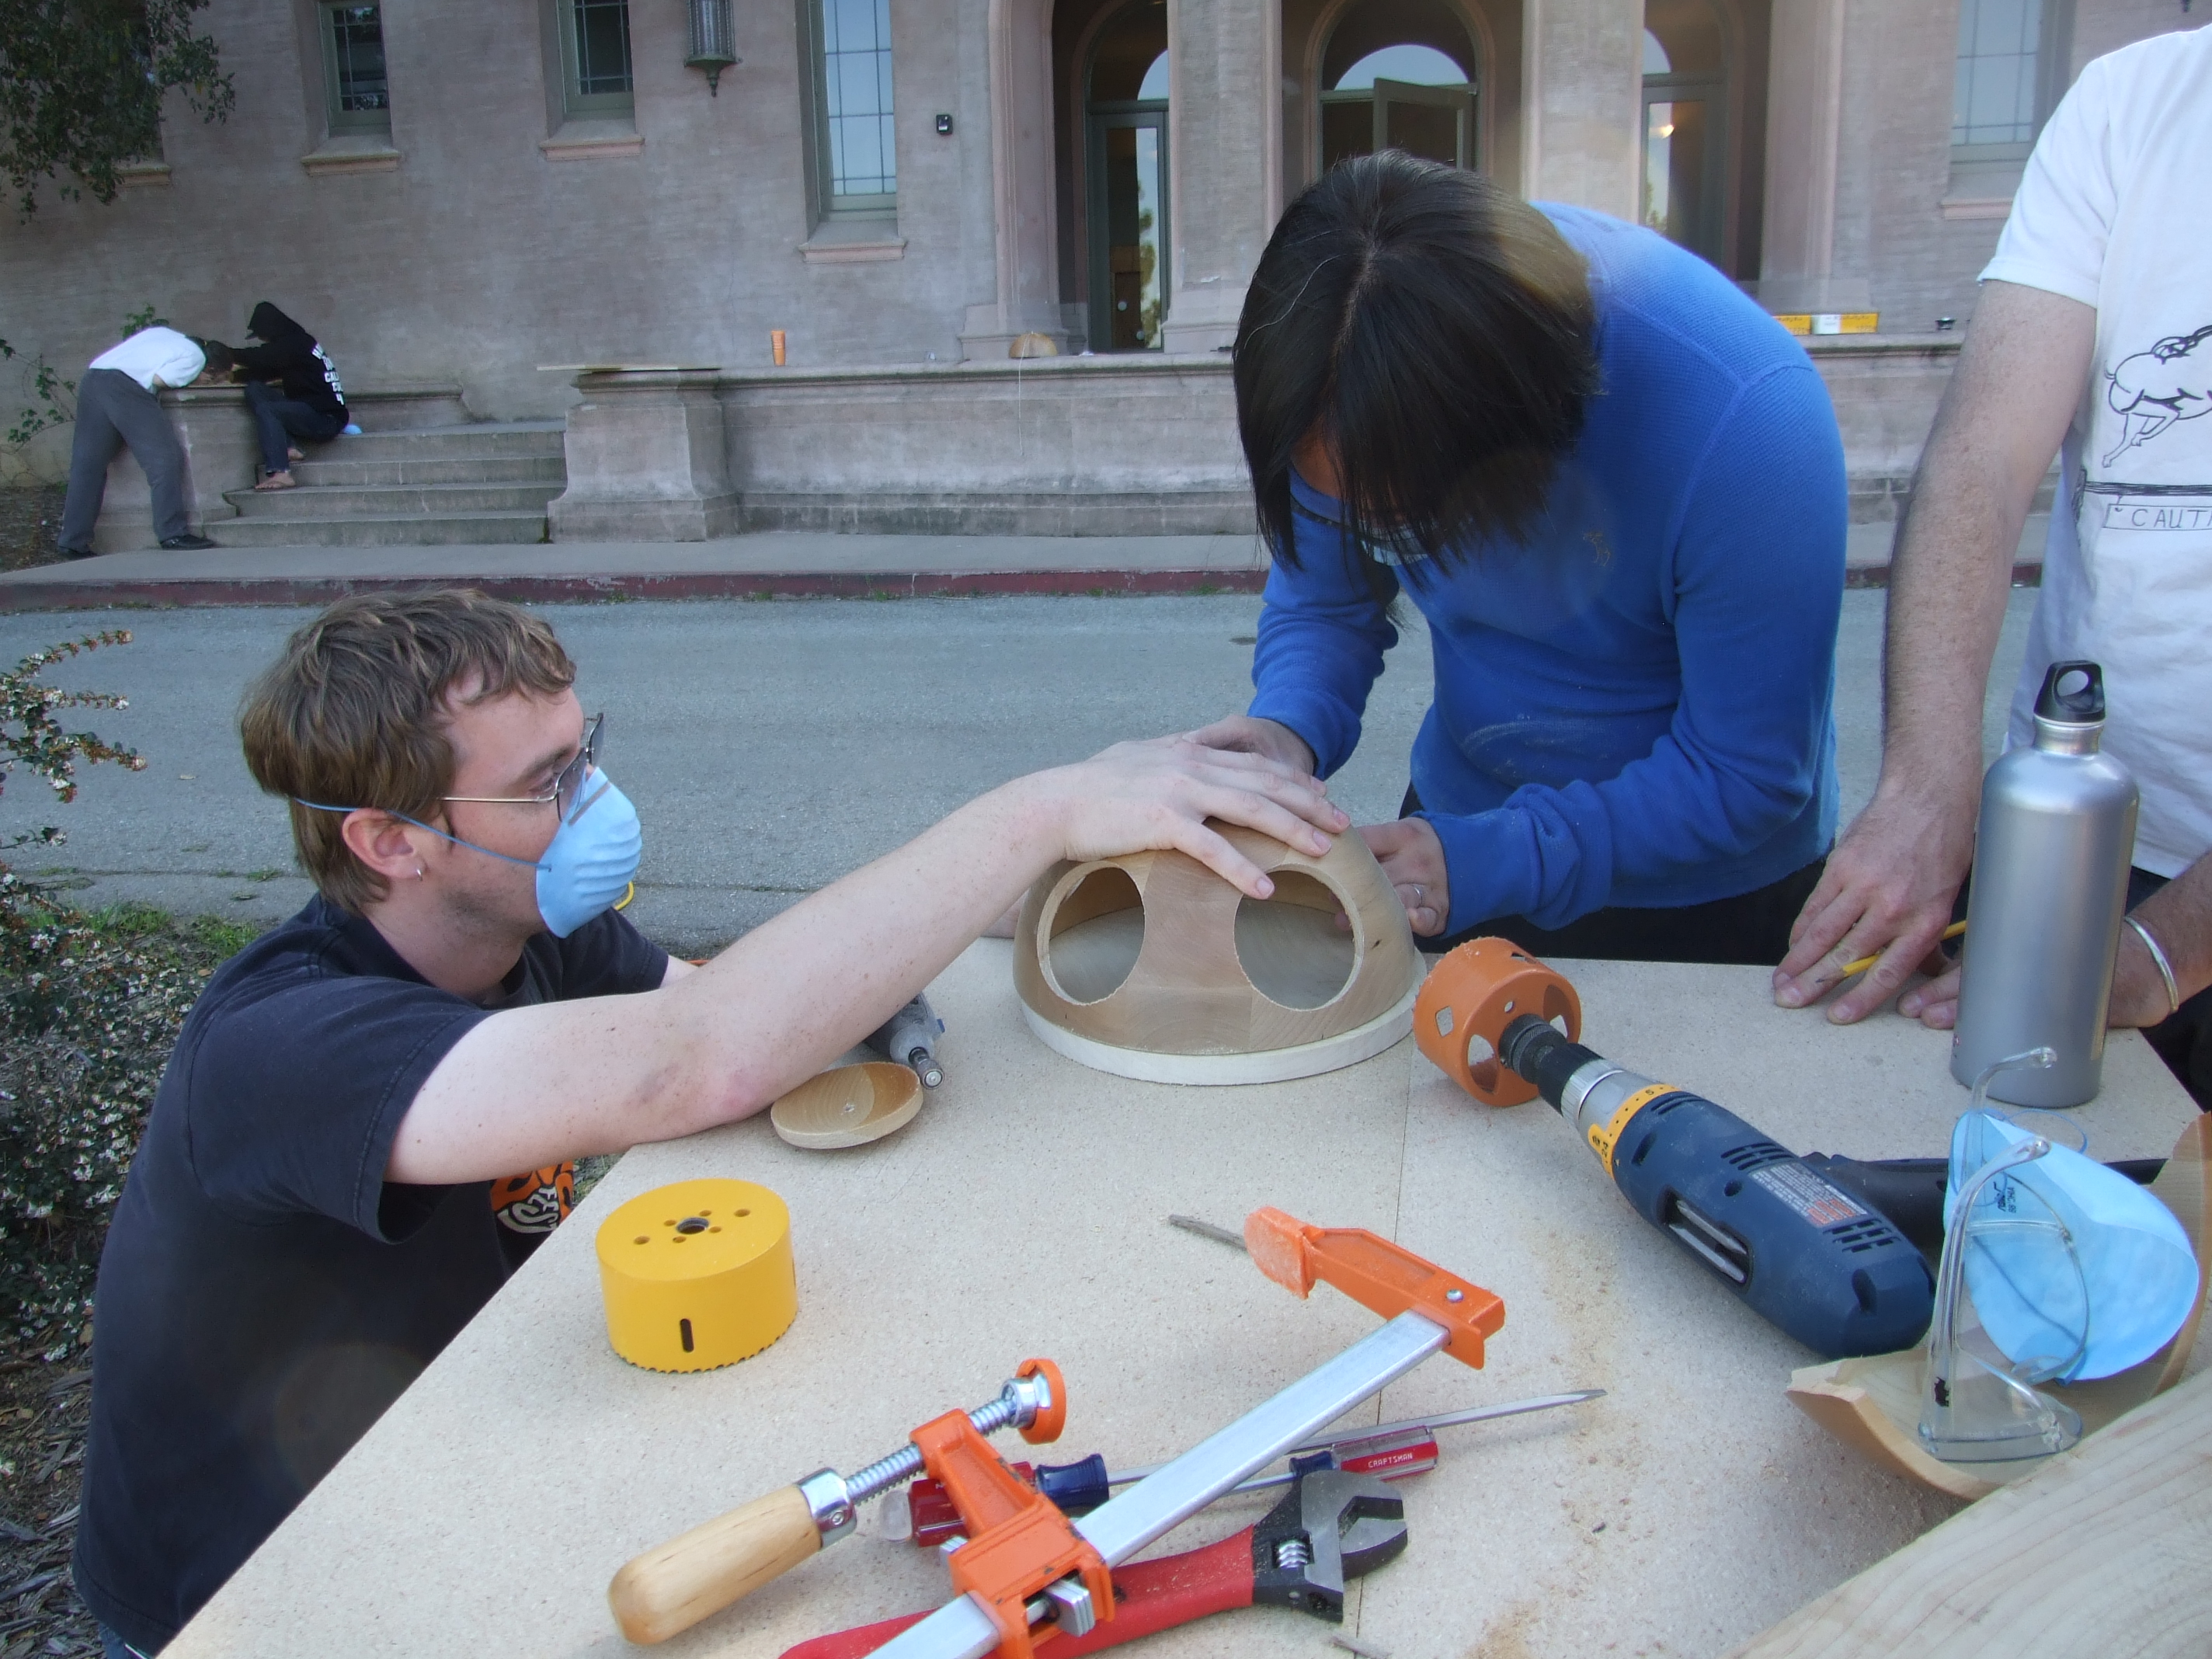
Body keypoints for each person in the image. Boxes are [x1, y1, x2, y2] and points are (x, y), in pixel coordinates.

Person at [70, 589, 1344, 1654]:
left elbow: (734, 1007)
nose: (594, 798)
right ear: (390, 843)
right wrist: (1041, 813)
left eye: (584, 749)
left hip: (462, 1447)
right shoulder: (285, 1048)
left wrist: (1043, 896)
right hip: (262, 1587)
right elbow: (698, 1058)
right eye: (546, 782)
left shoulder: (535, 937)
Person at [1195, 155, 1847, 965]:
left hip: (1706, 886)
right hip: (1462, 830)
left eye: (1401, 520)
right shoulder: (1339, 364)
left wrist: (1500, 857)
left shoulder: (1751, 428)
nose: (1370, 532)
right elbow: (1326, 603)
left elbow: (1745, 773)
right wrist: (1286, 729)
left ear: (1518, 438)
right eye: (1344, 507)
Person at [1771, 25, 2212, 1103]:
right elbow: (1982, 458)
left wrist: (2166, 953)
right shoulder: (2134, 102)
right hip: (2076, 841)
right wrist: (1929, 788)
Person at [55, 327, 230, 558]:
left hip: (94, 378)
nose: (209, 383)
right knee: (165, 459)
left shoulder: (165, 333)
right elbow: (159, 379)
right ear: (211, 368)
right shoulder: (196, 357)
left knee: (88, 465)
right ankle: (172, 533)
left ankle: (72, 542)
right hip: (126, 387)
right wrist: (191, 377)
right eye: (213, 380)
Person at [230, 301, 349, 491]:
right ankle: (289, 448)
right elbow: (264, 371)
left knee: (269, 410)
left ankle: (281, 472)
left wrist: (225, 354)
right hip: (309, 410)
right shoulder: (294, 346)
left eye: (262, 335)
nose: (263, 340)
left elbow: (259, 357)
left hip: (327, 419)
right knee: (255, 389)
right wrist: (230, 376)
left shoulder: (296, 344)